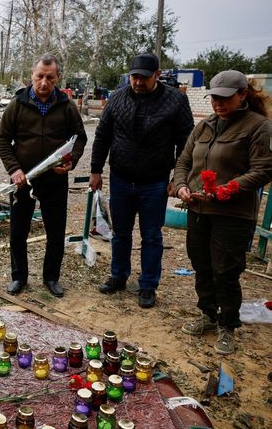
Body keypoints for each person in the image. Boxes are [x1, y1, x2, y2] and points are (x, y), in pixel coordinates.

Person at [174, 70, 272, 355]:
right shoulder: (205, 126)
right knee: (201, 263)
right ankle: (207, 314)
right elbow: (184, 161)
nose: (218, 103)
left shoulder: (258, 127)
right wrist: (181, 186)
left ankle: (227, 324)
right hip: (199, 208)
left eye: (225, 98)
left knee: (225, 270)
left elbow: (264, 169)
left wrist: (231, 187)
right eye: (215, 97)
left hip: (233, 215)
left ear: (243, 95)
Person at [89, 53, 194, 308]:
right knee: (121, 233)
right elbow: (102, 136)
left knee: (151, 236)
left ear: (157, 75)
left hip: (155, 182)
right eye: (134, 77)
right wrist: (96, 170)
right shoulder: (117, 98)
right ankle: (118, 276)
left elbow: (187, 143)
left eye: (144, 78)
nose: (138, 82)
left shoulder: (175, 101)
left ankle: (148, 285)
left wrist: (177, 179)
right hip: (121, 179)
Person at [0, 54, 87, 298]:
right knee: (18, 231)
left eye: (50, 77)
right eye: (40, 76)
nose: (44, 82)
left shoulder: (66, 105)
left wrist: (70, 161)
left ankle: (51, 278)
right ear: (31, 76)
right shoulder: (18, 104)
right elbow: (2, 139)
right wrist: (14, 169)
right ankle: (19, 277)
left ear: (57, 78)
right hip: (22, 180)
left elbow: (79, 139)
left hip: (55, 179)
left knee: (56, 231)